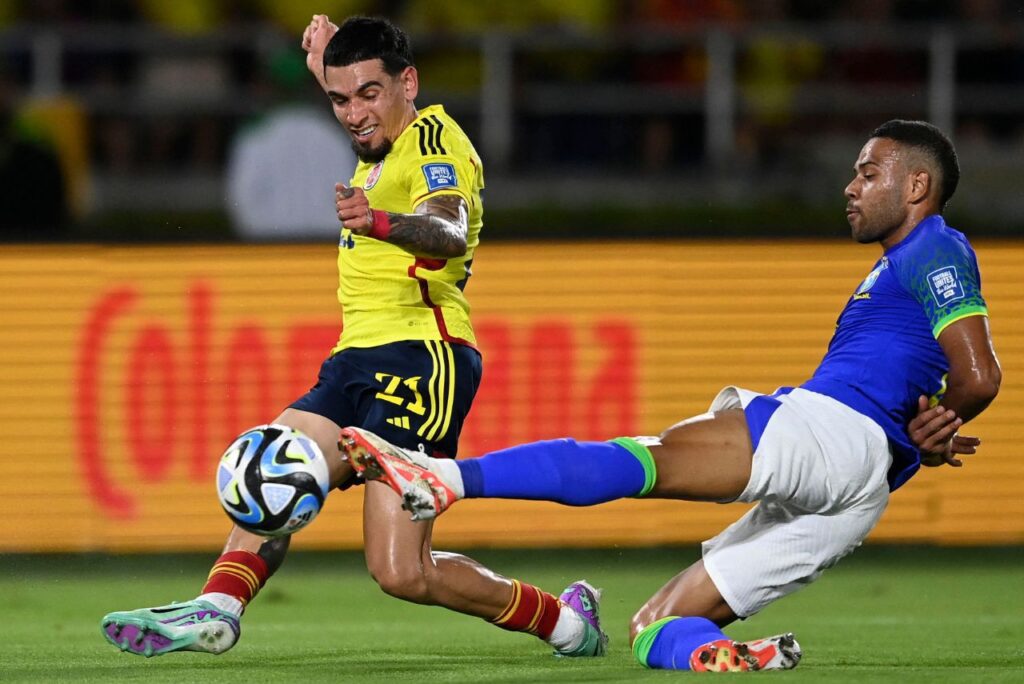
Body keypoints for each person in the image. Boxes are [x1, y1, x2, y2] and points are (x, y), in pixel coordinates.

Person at [338, 120, 1002, 672]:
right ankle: (715, 652)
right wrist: (925, 429)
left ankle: (445, 477)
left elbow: (980, 376)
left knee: (642, 460)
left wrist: (948, 413)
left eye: (869, 174)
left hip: (829, 434)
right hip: (860, 492)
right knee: (654, 626)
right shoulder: (898, 266)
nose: (851, 187)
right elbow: (936, 387)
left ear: (918, 185)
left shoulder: (933, 249)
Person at [100, 15, 605, 659]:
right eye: (340, 99)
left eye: (369, 93)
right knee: (270, 469)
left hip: (423, 361)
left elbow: (446, 230)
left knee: (401, 572)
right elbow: (358, 99)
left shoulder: (434, 144)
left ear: (409, 83)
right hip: (354, 358)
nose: (353, 113)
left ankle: (565, 623)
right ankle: (218, 608)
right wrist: (327, 65)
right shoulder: (381, 139)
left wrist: (380, 221)